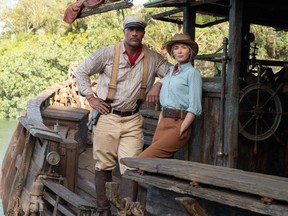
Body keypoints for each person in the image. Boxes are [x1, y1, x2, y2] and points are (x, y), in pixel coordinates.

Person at [75, 16, 170, 216]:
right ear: (124, 31)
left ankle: (126, 211)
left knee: (131, 166)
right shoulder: (108, 53)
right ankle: (103, 210)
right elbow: (82, 70)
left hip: (133, 118)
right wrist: (91, 98)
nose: (135, 33)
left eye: (139, 30)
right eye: (131, 29)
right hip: (107, 115)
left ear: (143, 33)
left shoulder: (152, 57)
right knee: (104, 165)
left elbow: (173, 73)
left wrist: (159, 83)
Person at [138, 33, 202, 159]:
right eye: (176, 48)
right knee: (156, 166)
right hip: (163, 123)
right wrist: (157, 85)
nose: (179, 51)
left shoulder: (192, 73)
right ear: (172, 52)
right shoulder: (171, 73)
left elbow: (195, 107)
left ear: (190, 51)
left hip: (179, 123)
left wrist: (181, 129)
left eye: (184, 47)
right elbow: (165, 98)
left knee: (143, 160)